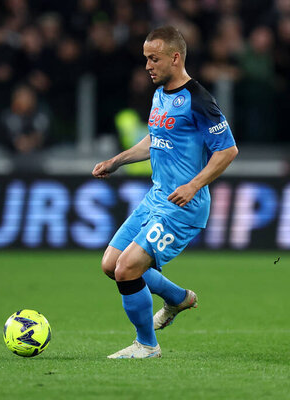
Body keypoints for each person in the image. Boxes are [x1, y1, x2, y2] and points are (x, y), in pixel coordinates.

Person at [92, 26, 238, 359]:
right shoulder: (160, 94)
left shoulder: (199, 100)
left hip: (182, 206)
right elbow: (154, 139)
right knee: (110, 264)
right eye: (145, 58)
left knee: (127, 269)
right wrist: (117, 161)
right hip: (156, 198)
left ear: (175, 57)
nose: (147, 65)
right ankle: (177, 298)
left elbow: (228, 150)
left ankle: (147, 345)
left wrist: (194, 184)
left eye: (153, 58)